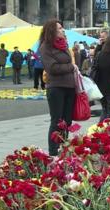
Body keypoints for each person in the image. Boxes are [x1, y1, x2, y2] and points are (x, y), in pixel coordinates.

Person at [39, 19, 76, 156]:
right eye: (59, 28)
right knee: (56, 120)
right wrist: (71, 67)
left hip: (69, 87)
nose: (62, 30)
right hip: (56, 88)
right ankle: (53, 151)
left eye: (62, 28)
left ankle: (64, 146)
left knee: (67, 120)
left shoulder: (64, 45)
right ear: (52, 31)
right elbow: (52, 68)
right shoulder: (45, 47)